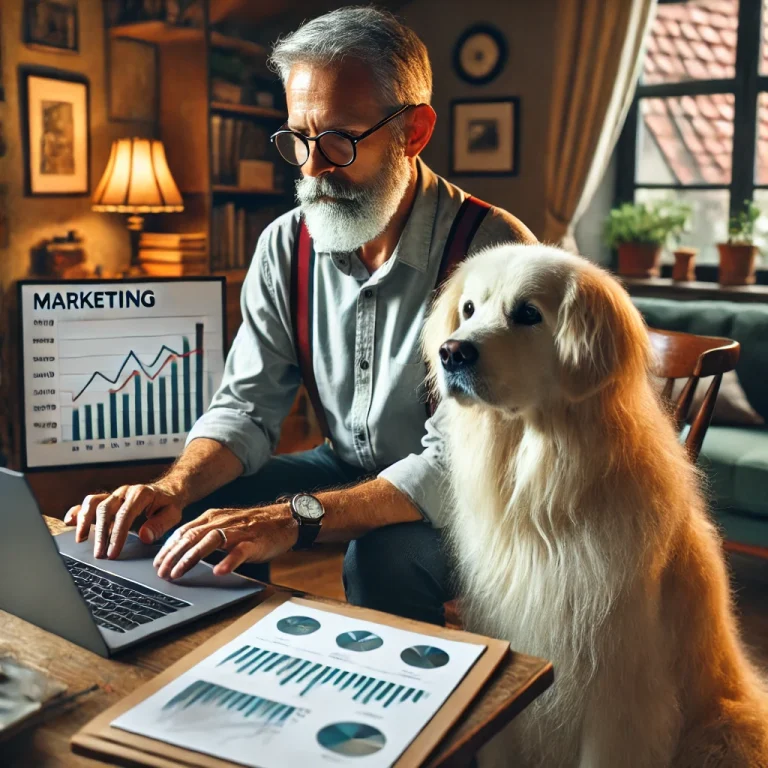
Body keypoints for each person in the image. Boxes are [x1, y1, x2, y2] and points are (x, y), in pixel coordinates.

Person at [64, 7, 535, 626]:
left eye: (340, 140)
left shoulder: (493, 254)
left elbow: (456, 464)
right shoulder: (285, 245)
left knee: (382, 558)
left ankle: (399, 710)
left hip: (478, 494)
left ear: (414, 132)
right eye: (297, 140)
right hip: (346, 461)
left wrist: (295, 517)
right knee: (203, 511)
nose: (311, 170)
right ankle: (222, 657)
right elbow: (246, 408)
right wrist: (171, 490)